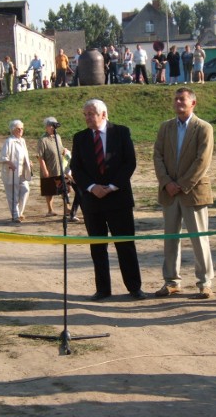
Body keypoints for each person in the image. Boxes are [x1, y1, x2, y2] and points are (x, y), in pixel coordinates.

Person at [70, 99, 146, 301]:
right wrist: (92, 187)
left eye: (91, 113)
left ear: (103, 114)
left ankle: (134, 287)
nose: (87, 117)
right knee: (98, 247)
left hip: (118, 199)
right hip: (92, 201)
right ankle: (103, 289)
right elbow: (76, 168)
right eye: (85, 114)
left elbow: (129, 162)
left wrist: (112, 186)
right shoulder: (80, 138)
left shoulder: (121, 132)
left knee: (125, 245)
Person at [153, 87, 215, 299]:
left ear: (193, 103)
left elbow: (202, 161)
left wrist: (182, 184)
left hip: (193, 192)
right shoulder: (165, 127)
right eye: (176, 99)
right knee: (171, 239)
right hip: (169, 193)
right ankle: (171, 281)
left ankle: (205, 283)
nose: (178, 102)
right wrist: (167, 183)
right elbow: (158, 157)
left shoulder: (204, 128)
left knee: (199, 239)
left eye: (183, 99)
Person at [0, 120, 32, 223]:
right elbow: (3, 157)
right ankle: (15, 215)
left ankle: (20, 212)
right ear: (13, 130)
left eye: (22, 128)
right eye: (18, 129)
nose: (21, 130)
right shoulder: (9, 141)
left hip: (22, 172)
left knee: (25, 189)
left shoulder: (22, 141)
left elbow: (24, 155)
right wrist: (10, 163)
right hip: (11, 172)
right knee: (13, 194)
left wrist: (29, 161)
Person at [37, 117, 67, 217]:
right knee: (49, 190)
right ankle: (50, 210)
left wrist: (65, 151)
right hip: (49, 169)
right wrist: (45, 170)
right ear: (46, 127)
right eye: (51, 126)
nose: (53, 128)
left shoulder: (57, 137)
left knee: (64, 189)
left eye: (54, 125)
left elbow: (61, 149)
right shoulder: (43, 140)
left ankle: (66, 208)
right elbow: (40, 157)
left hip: (59, 168)